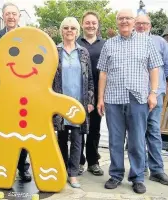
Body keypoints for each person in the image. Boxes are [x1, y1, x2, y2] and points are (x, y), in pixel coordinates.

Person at [96, 9, 163, 194]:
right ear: (117, 22)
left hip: (138, 99)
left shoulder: (147, 42)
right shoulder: (109, 44)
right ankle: (116, 175)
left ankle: (137, 177)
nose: (124, 21)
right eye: (121, 18)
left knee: (137, 142)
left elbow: (154, 69)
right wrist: (100, 98)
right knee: (115, 141)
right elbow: (103, 73)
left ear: (134, 22)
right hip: (113, 100)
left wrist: (153, 93)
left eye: (128, 18)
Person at [0, 2, 31, 182]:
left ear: (18, 17)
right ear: (3, 17)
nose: (11, 17)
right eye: (8, 14)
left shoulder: (27, 36)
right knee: (3, 130)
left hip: (24, 92)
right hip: (3, 91)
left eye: (14, 14)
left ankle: (23, 167)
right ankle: (4, 167)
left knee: (24, 128)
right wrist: (7, 76)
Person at [135, 14, 168, 185]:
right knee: (136, 134)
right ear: (133, 25)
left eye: (145, 23)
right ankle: (140, 168)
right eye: (138, 24)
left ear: (150, 26)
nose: (141, 26)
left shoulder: (160, 42)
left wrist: (157, 85)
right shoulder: (129, 42)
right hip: (135, 96)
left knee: (153, 132)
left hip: (155, 95)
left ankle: (157, 170)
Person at [53, 17, 95, 188]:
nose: (69, 31)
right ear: (61, 31)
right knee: (61, 139)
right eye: (66, 28)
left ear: (77, 32)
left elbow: (90, 79)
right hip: (59, 102)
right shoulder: (54, 51)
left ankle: (73, 174)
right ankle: (62, 171)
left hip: (79, 103)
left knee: (78, 140)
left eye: (73, 28)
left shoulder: (83, 52)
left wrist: (90, 101)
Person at [77, 11, 105, 176]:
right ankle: (78, 161)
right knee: (78, 129)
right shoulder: (76, 43)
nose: (90, 25)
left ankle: (93, 162)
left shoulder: (105, 44)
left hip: (98, 93)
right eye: (87, 22)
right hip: (78, 93)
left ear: (97, 25)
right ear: (82, 24)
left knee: (95, 129)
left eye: (93, 22)